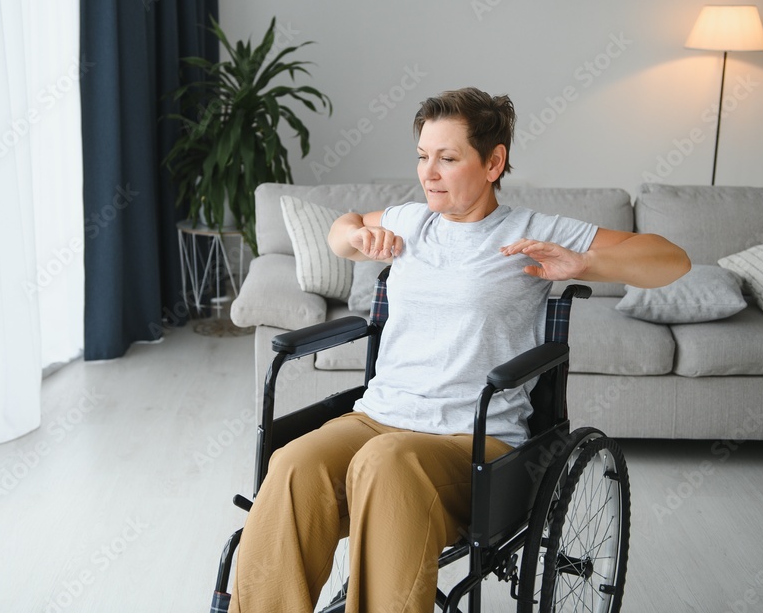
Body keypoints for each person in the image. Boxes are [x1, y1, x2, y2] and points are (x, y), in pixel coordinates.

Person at [229, 87, 690, 613]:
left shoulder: (532, 231)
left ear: (493, 162)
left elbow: (670, 260)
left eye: (448, 158)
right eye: (424, 156)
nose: (429, 172)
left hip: (473, 438)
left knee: (386, 462)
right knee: (294, 464)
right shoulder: (409, 221)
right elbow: (340, 229)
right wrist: (357, 235)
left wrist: (583, 264)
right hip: (380, 416)